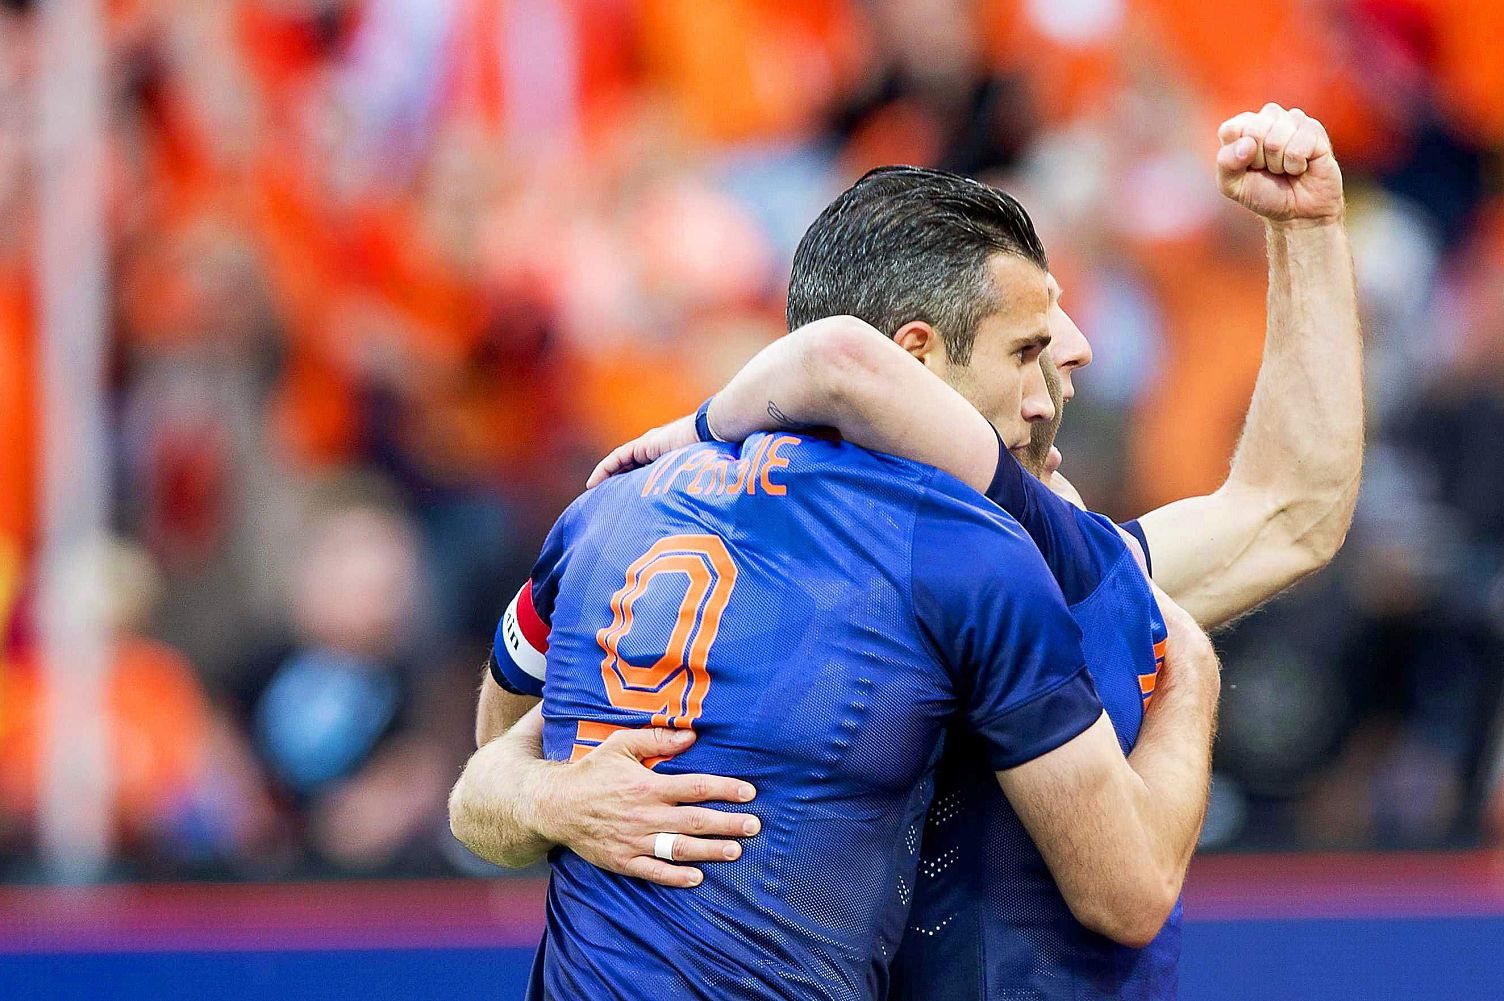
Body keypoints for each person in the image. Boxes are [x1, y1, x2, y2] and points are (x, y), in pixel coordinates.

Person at [451, 103, 1361, 1000]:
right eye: (1028, 346)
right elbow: (1127, 890)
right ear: (915, 361)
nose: (1066, 367)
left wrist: (546, 802)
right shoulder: (980, 557)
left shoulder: (619, 513)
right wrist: (1191, 671)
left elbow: (491, 769)